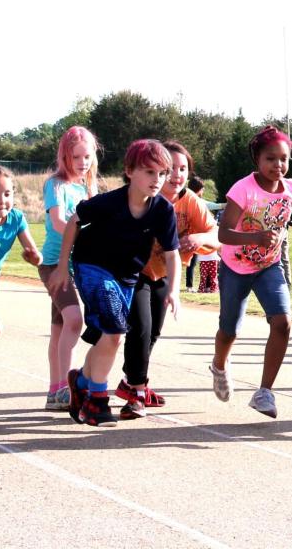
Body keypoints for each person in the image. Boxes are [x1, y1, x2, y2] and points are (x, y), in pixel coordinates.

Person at [54, 140, 180, 427]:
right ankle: (97, 401)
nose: (157, 180)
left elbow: (172, 253)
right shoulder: (110, 202)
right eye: (149, 172)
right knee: (115, 332)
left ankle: (81, 380)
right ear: (129, 171)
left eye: (162, 174)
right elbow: (75, 220)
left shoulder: (162, 210)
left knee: (109, 336)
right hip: (93, 267)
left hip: (126, 277)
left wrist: (174, 290)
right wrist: (62, 267)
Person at [208, 126, 292, 419]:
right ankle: (219, 364)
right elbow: (224, 233)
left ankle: (264, 392)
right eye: (271, 159)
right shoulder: (243, 189)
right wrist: (255, 238)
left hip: (269, 266)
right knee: (230, 329)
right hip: (235, 267)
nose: (278, 165)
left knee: (282, 322)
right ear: (257, 159)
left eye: (283, 159)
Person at [117, 142, 219, 419]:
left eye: (183, 169)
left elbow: (217, 236)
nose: (176, 175)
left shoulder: (191, 202)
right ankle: (136, 392)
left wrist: (200, 238)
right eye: (170, 169)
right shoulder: (144, 196)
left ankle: (130, 381)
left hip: (164, 275)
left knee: (151, 333)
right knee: (140, 328)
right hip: (134, 272)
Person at [38, 126, 98, 410]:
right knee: (74, 320)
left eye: (87, 156)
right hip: (54, 264)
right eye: (76, 157)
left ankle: (54, 391)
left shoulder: (90, 188)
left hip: (78, 265)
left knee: (59, 329)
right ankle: (65, 386)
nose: (82, 163)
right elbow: (60, 222)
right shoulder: (56, 185)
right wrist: (86, 235)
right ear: (65, 156)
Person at [0, 166, 42, 340]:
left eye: (7, 194)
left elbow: (36, 255)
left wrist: (35, 258)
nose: (1, 200)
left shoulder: (16, 219)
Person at [185, 175, 206, 291]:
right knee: (191, 262)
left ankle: (189, 285)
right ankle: (189, 285)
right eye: (202, 189)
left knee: (189, 262)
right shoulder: (197, 202)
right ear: (199, 189)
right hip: (193, 236)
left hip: (189, 235)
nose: (203, 191)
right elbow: (210, 205)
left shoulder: (184, 198)